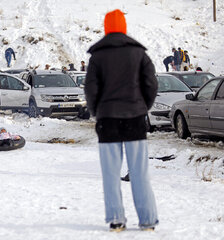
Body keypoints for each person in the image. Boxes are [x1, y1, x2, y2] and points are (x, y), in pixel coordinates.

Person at [85, 9, 159, 232]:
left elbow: (91, 88)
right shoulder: (139, 54)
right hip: (135, 118)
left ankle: (117, 220)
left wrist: (97, 111)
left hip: (108, 120)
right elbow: (151, 84)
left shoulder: (98, 56)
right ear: (124, 27)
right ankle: (147, 221)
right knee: (139, 172)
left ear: (106, 27)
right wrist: (143, 107)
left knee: (110, 174)